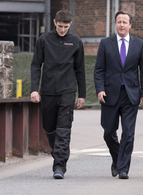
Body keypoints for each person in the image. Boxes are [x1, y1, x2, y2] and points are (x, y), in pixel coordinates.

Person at [94, 10, 143, 179]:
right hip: (110, 94)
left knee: (128, 133)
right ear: (115, 24)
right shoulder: (105, 43)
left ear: (130, 25)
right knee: (108, 132)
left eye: (125, 22)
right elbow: (99, 69)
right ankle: (117, 158)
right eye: (119, 22)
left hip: (131, 94)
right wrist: (100, 89)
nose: (121, 25)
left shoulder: (139, 44)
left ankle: (123, 168)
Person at [30, 10, 86, 179]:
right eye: (60, 26)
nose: (62, 30)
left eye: (66, 27)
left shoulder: (76, 42)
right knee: (50, 128)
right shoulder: (44, 40)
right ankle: (59, 154)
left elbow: (80, 69)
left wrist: (82, 94)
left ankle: (59, 166)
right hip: (48, 91)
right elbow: (35, 65)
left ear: (70, 25)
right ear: (54, 22)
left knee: (63, 128)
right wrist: (34, 89)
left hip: (67, 91)